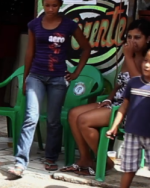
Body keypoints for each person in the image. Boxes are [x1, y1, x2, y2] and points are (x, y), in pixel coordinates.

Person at [7, 0, 92, 178]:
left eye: (54, 5)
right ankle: (20, 162)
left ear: (60, 5)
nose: (50, 9)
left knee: (53, 120)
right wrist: (26, 78)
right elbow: (29, 52)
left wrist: (76, 72)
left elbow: (86, 48)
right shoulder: (34, 25)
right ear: (42, 5)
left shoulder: (68, 25)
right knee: (31, 117)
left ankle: (51, 157)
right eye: (47, 5)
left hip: (58, 78)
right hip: (36, 76)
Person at [63, 19, 150, 175]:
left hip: (132, 109)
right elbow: (119, 83)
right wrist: (109, 98)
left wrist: (129, 57)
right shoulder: (129, 56)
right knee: (73, 114)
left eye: (137, 38)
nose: (132, 41)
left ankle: (105, 161)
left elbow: (139, 85)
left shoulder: (146, 60)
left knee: (84, 120)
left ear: (148, 39)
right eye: (129, 37)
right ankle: (85, 159)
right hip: (115, 102)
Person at [106, 47, 150, 188]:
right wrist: (114, 126)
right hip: (132, 133)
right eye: (146, 61)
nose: (147, 65)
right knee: (129, 168)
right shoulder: (134, 83)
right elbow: (124, 107)